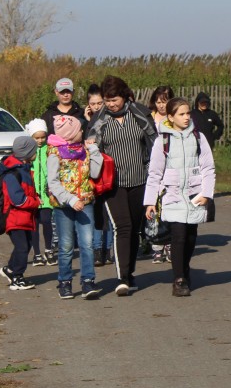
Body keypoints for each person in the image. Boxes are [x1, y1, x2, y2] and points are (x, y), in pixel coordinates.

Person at [86, 75, 158, 297]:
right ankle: (123, 278)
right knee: (122, 227)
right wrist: (91, 148)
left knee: (135, 228)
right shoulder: (99, 120)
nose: (110, 104)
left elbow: (154, 142)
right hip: (112, 184)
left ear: (125, 96)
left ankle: (130, 272)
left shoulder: (139, 114)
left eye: (114, 99)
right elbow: (91, 150)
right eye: (107, 100)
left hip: (140, 180)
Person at [144, 97, 216, 297]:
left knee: (191, 237)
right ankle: (179, 279)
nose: (186, 117)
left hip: (194, 195)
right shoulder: (162, 141)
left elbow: (208, 168)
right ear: (170, 117)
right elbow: (155, 173)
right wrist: (150, 201)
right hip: (172, 195)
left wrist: (206, 193)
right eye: (181, 114)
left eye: (188, 113)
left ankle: (184, 268)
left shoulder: (198, 138)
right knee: (178, 236)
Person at [48, 115, 103, 300]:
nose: (82, 132)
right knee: (66, 245)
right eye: (80, 129)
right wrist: (70, 199)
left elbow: (94, 173)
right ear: (70, 133)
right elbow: (53, 183)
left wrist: (94, 151)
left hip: (85, 202)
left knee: (87, 243)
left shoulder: (84, 150)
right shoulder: (55, 153)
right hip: (64, 205)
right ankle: (64, 281)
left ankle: (88, 281)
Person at [0, 136, 42, 290]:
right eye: (34, 150)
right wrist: (36, 202)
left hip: (24, 217)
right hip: (15, 218)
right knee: (22, 247)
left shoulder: (24, 169)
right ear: (27, 153)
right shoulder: (13, 173)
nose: (36, 153)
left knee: (25, 245)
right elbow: (18, 200)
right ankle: (17, 278)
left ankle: (10, 269)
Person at [84, 84, 114, 267]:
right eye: (92, 103)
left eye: (99, 103)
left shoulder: (109, 119)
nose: (96, 106)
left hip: (108, 170)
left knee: (109, 213)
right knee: (97, 214)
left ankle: (108, 249)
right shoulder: (86, 122)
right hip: (93, 173)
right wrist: (88, 121)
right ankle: (97, 249)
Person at [147, 86, 176, 263]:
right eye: (158, 102)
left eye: (164, 102)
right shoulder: (149, 118)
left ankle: (170, 244)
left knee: (169, 205)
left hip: (171, 165)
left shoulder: (174, 118)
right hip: (152, 164)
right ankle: (156, 244)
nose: (161, 105)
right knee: (154, 205)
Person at [24, 118, 56, 267]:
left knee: (47, 221)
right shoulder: (28, 152)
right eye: (36, 138)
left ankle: (49, 250)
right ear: (31, 137)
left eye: (43, 137)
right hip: (32, 194)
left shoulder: (49, 149)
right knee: (34, 224)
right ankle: (37, 253)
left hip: (47, 194)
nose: (40, 140)